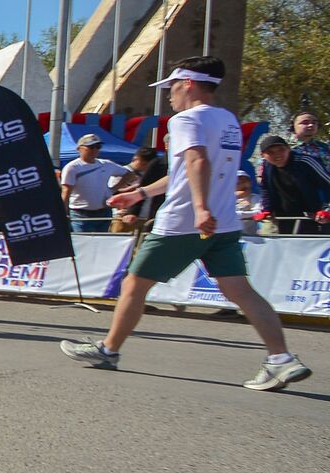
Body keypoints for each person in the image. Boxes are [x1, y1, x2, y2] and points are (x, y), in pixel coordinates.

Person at [60, 56, 312, 391]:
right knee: (241, 291)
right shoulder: (228, 120)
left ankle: (108, 350)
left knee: (134, 285)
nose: (169, 95)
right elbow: (184, 172)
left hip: (183, 222)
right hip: (224, 223)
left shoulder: (185, 120)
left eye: (172, 87)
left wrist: (200, 208)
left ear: (188, 84)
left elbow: (196, 161)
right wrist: (139, 194)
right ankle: (281, 359)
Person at [60, 133, 136, 233]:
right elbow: (66, 192)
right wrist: (63, 214)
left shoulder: (106, 164)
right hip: (81, 213)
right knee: (83, 243)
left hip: (104, 211)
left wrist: (114, 188)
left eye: (98, 147)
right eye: (91, 147)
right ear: (80, 149)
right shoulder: (72, 167)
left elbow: (130, 174)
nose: (95, 150)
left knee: (101, 243)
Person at [258, 134, 330, 234]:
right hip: (283, 219)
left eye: (281, 149)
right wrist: (267, 209)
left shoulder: (305, 162)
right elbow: (265, 188)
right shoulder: (266, 167)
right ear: (262, 155)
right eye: (270, 152)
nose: (277, 154)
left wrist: (327, 210)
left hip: (313, 218)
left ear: (288, 149)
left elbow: (327, 183)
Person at [113, 147, 167, 233]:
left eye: (148, 164)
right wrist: (131, 188)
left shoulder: (154, 171)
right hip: (124, 216)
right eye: (144, 164)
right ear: (136, 158)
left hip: (147, 217)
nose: (146, 166)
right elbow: (112, 193)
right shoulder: (122, 171)